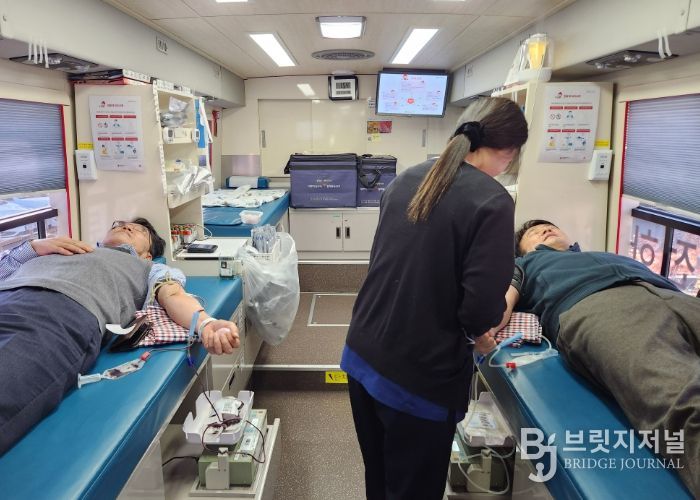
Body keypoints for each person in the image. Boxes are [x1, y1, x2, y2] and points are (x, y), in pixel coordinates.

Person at [341, 97, 529, 500]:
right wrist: (485, 331)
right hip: (416, 378)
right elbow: (479, 311)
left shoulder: (408, 178)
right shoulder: (493, 201)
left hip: (362, 355)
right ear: (510, 152)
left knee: (380, 480)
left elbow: (391, 265)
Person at [0, 218, 240, 455]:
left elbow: (173, 295)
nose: (127, 226)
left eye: (140, 231)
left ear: (148, 255)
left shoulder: (150, 268)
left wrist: (206, 323)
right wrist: (34, 246)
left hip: (61, 312)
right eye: (119, 224)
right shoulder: (62, 247)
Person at [501, 219, 699, 497]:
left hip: (671, 295)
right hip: (603, 307)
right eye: (534, 232)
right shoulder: (525, 265)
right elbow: (499, 305)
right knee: (687, 401)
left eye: (549, 226)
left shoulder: (605, 254)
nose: (545, 229)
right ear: (523, 251)